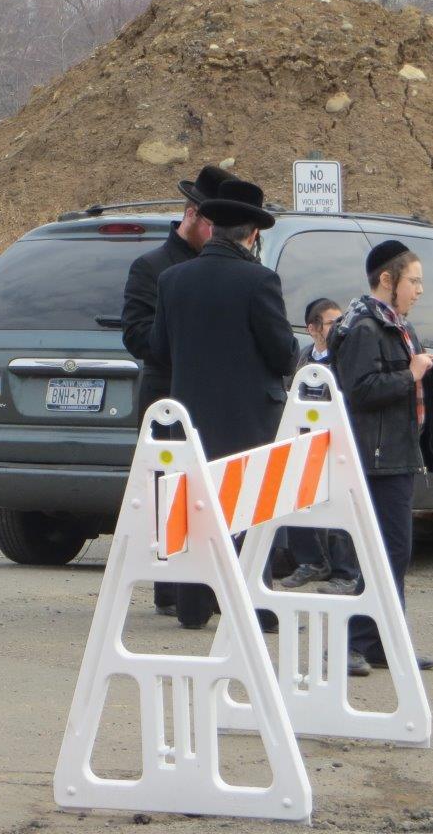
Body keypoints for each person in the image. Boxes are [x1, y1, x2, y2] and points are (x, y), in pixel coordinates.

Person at [151, 179, 298, 630]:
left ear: (213, 227)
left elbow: (159, 349)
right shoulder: (259, 280)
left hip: (190, 413)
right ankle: (254, 608)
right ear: (253, 233)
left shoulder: (173, 279)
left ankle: (193, 607)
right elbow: (282, 353)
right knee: (250, 509)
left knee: (196, 507)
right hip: (248, 416)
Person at [328, 240, 433, 677]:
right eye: (414, 281)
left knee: (392, 551)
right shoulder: (365, 327)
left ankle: (383, 643)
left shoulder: (397, 326)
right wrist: (410, 373)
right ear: (387, 280)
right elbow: (359, 391)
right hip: (375, 456)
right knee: (386, 551)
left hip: (397, 451)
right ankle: (354, 642)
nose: (420, 290)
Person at [121, 166, 222, 616]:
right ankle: (170, 587)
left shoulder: (222, 265)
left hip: (211, 397)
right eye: (214, 224)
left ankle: (204, 585)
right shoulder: (152, 267)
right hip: (167, 395)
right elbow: (137, 336)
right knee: (167, 491)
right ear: (192, 215)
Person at [278, 298, 360, 595]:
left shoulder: (344, 357)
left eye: (341, 322)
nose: (338, 329)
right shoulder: (304, 358)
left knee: (339, 506)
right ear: (312, 329)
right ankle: (312, 561)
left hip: (337, 443)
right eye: (331, 323)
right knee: (295, 500)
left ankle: (346, 573)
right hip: (305, 441)